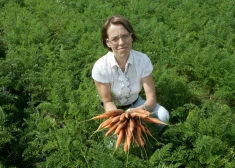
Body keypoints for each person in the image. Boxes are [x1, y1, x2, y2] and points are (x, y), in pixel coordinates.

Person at [92, 15, 169, 135]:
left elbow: (151, 99)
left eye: (125, 36)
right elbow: (107, 101)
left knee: (163, 116)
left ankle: (151, 140)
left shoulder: (142, 60)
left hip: (137, 105)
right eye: (115, 39)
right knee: (114, 141)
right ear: (108, 43)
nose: (121, 42)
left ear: (131, 37)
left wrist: (138, 111)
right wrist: (119, 118)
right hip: (113, 110)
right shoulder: (100, 67)